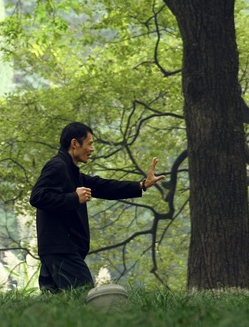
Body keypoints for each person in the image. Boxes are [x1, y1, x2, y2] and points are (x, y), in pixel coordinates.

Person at [29, 122, 165, 293]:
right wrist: (73, 198)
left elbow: (103, 186)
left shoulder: (72, 171)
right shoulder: (57, 166)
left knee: (56, 307)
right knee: (85, 297)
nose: (92, 149)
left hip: (58, 250)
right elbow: (37, 197)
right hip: (61, 250)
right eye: (90, 143)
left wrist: (141, 185)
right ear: (74, 143)